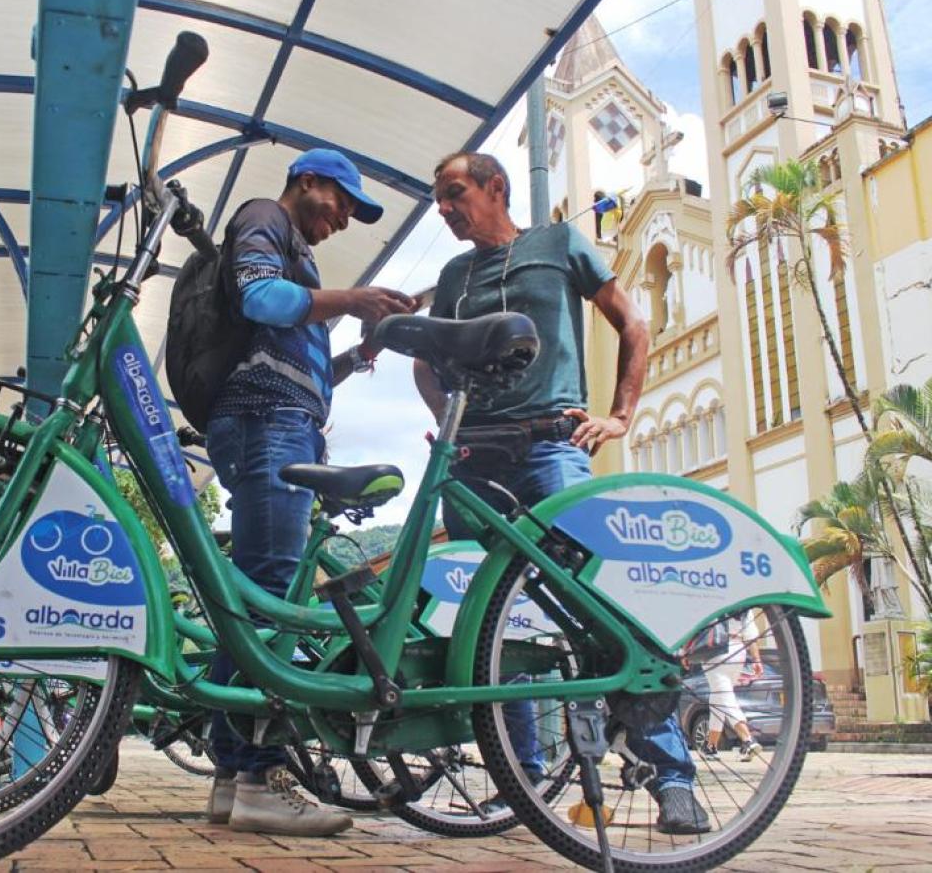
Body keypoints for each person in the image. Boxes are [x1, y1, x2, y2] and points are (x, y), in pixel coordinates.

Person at [413, 150, 710, 836]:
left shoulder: (558, 244)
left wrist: (620, 416)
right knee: (491, 625)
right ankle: (522, 780)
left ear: (496, 188)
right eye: (439, 200)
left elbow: (632, 324)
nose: (445, 209)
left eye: (456, 193)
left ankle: (671, 776)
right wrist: (444, 420)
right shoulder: (453, 275)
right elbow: (428, 362)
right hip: (472, 461)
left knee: (599, 602)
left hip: (553, 446)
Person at [203, 148, 417, 836]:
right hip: (268, 426)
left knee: (255, 596)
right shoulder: (267, 218)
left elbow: (296, 356)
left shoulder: (307, 259)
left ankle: (233, 775)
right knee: (271, 594)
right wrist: (352, 299)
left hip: (276, 421)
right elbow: (259, 295)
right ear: (309, 182)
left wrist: (354, 354)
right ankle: (263, 772)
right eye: (344, 201)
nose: (347, 218)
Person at [695, 612, 765, 761]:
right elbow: (751, 635)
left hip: (715, 647)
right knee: (718, 696)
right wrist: (757, 659)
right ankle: (711, 746)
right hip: (739, 650)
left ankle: (747, 739)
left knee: (724, 696)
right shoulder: (745, 605)